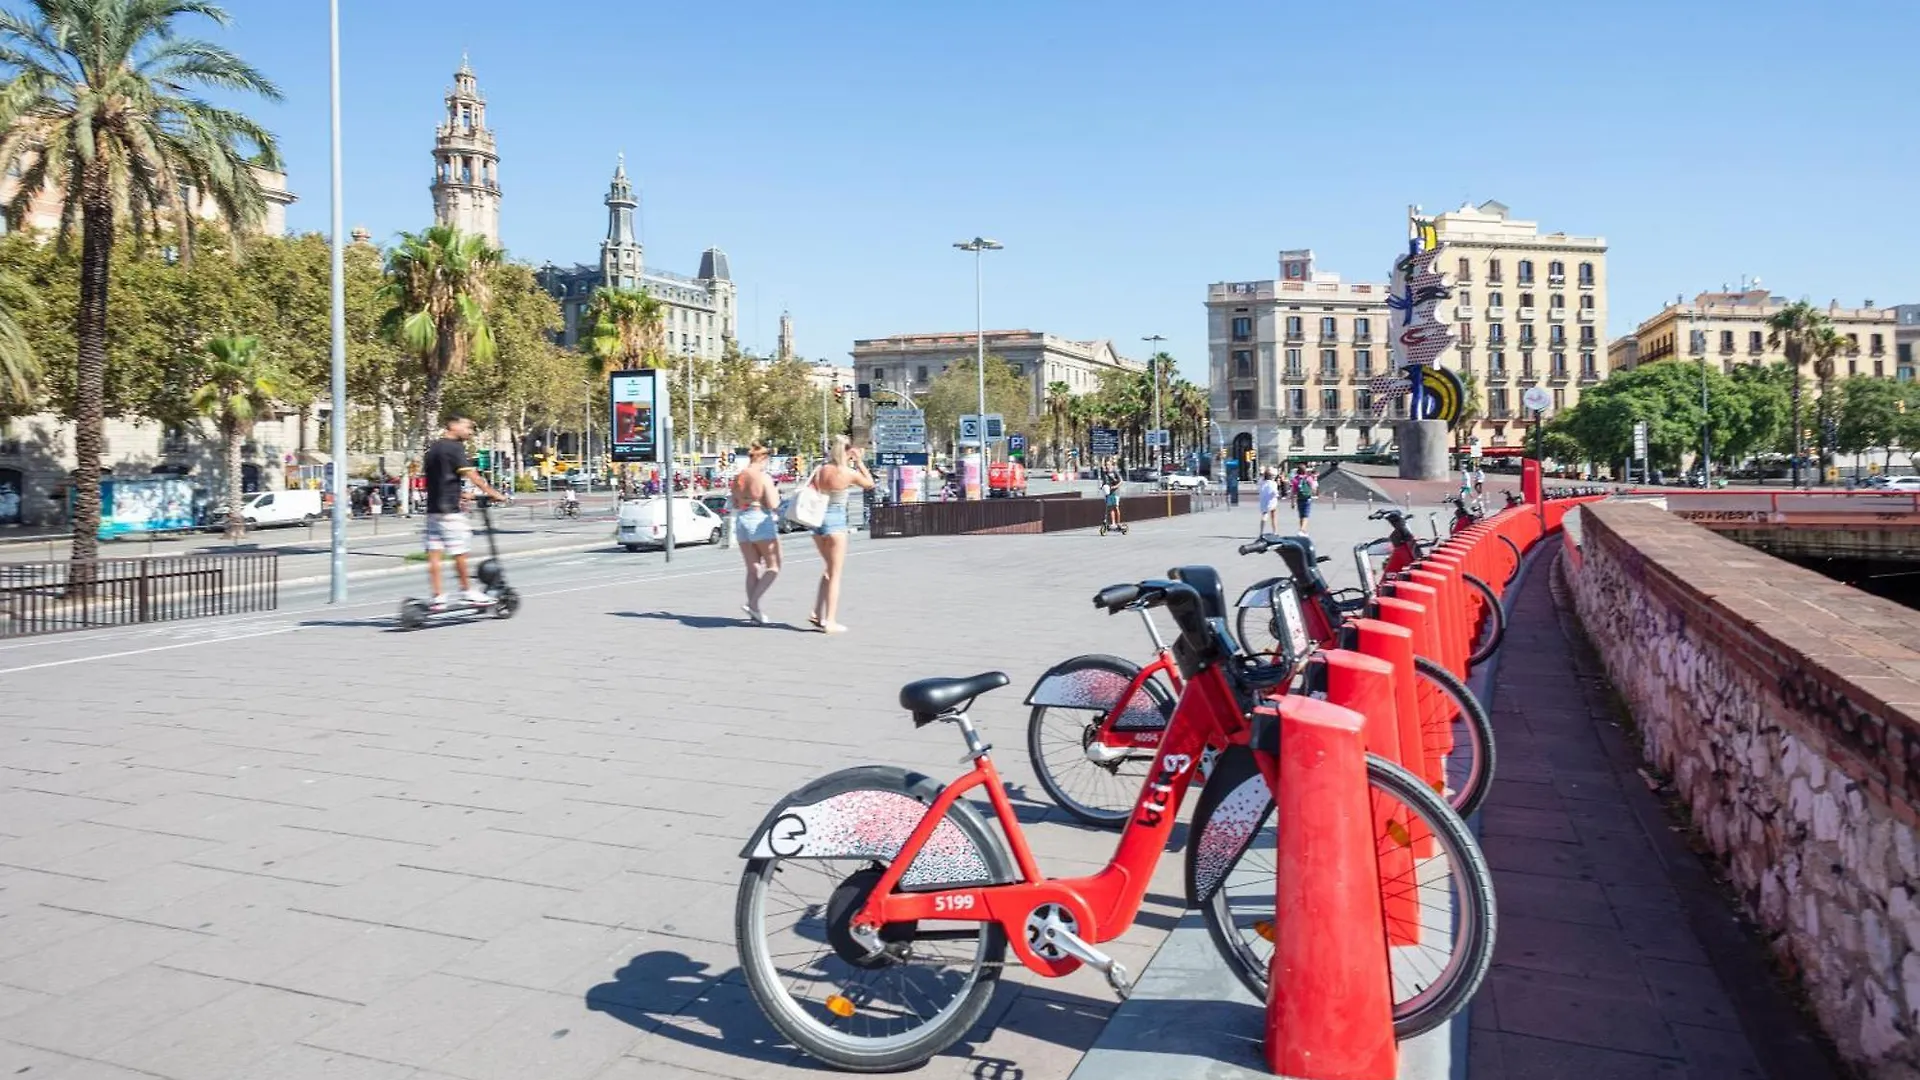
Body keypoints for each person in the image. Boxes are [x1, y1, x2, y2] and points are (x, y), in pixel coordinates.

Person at [423, 415, 509, 608]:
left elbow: (439, 480)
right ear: (453, 426)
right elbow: (473, 475)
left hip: (433, 509)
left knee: (434, 554)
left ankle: (438, 597)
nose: (470, 432)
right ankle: (467, 591)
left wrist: (463, 494)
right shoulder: (455, 448)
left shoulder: (433, 448)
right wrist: (495, 494)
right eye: (468, 427)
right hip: (450, 513)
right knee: (460, 551)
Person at [806, 435, 874, 633]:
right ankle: (831, 620)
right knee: (835, 573)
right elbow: (869, 484)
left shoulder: (821, 470)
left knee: (828, 568)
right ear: (847, 451)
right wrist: (860, 462)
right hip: (836, 522)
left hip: (818, 521)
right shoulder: (848, 473)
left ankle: (817, 612)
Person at [730, 442, 782, 624]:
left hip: (742, 520)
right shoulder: (762, 477)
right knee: (774, 566)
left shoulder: (739, 477)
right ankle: (752, 603)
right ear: (763, 459)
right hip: (760, 519)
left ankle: (755, 613)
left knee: (752, 569)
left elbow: (735, 502)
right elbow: (774, 503)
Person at [1099, 458, 1124, 532]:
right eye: (1106, 465)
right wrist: (1102, 486)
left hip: (1115, 492)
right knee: (1110, 508)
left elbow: (1121, 481)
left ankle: (1118, 523)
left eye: (1108, 465)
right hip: (1109, 492)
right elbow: (1104, 481)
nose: (1107, 466)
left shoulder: (1115, 471)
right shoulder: (1105, 473)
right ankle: (1113, 523)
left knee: (1116, 507)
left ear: (1111, 465)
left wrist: (1115, 487)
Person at [1291, 465, 1317, 533]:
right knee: (1305, 516)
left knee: (1301, 516)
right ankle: (1302, 529)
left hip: (1299, 499)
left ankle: (1303, 531)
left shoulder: (1295, 479)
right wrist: (1313, 492)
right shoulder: (1308, 478)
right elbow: (1313, 488)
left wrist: (1292, 503)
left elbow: (1293, 492)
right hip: (1307, 499)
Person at [1257, 467, 1280, 536]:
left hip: (1263, 501)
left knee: (1264, 515)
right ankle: (1275, 531)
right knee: (1273, 516)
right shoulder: (1273, 483)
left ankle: (1261, 532)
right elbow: (1275, 493)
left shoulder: (1262, 482)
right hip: (1272, 501)